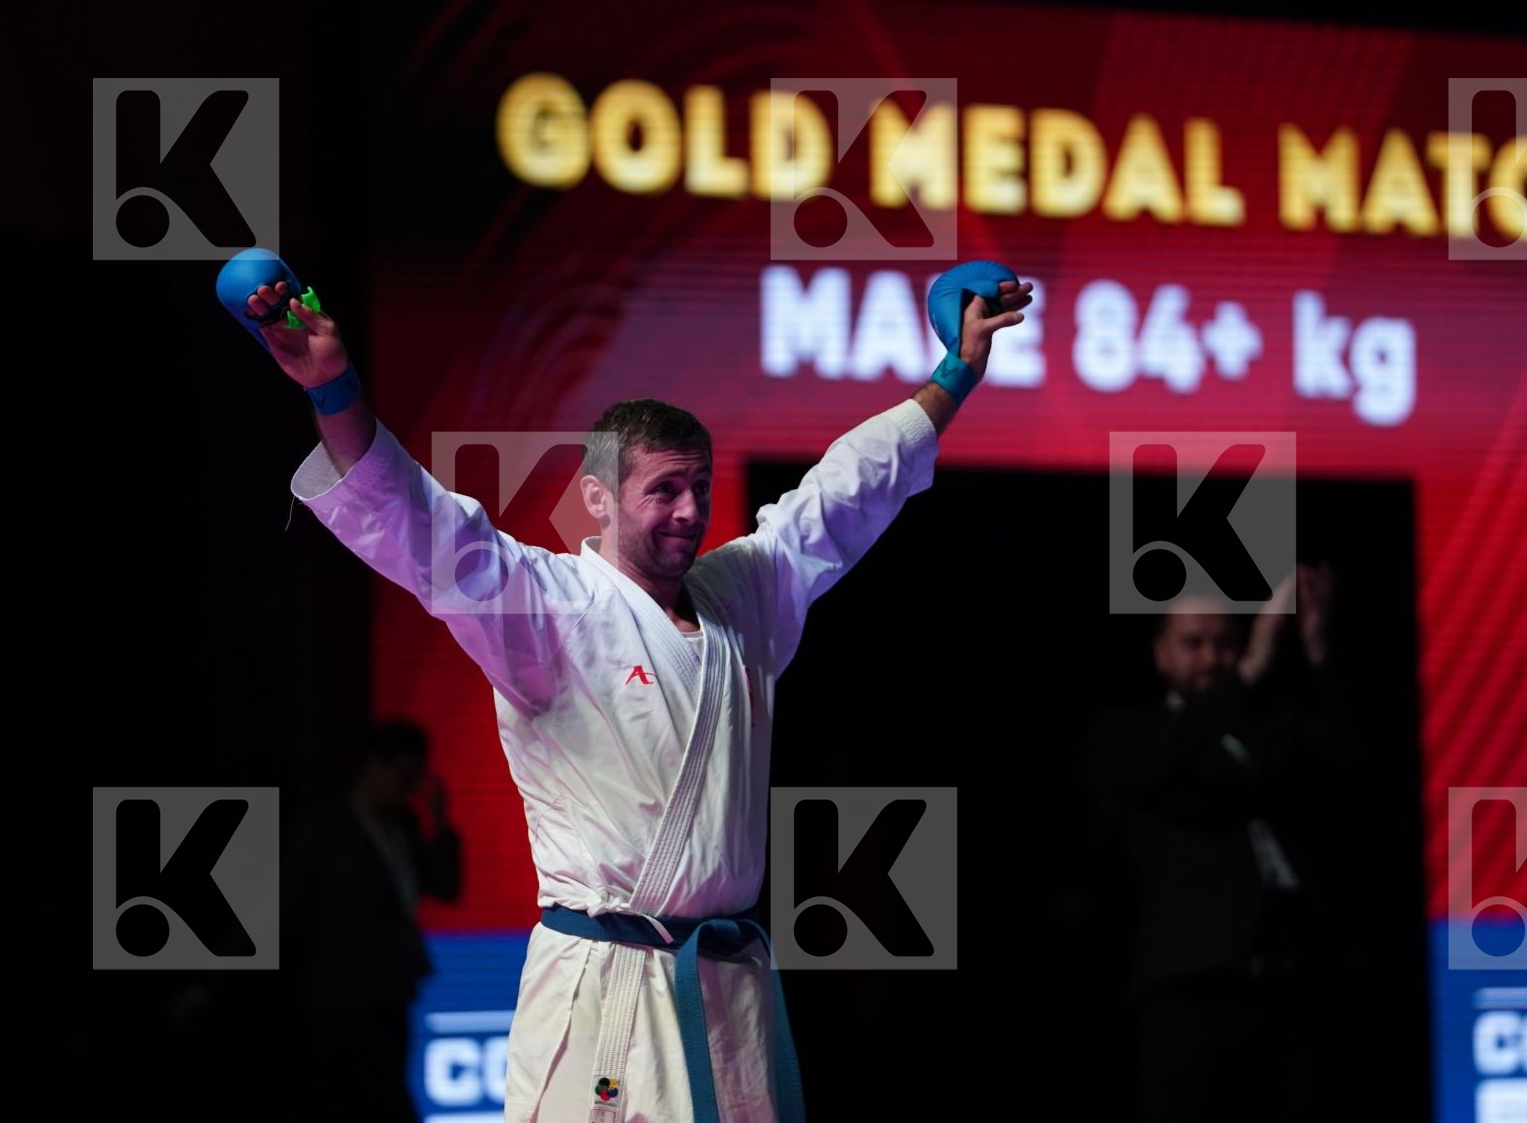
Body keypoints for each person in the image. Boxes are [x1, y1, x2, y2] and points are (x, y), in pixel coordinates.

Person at [245, 268, 1031, 1123]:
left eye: (699, 485)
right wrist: (335, 388)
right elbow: (424, 527)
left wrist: (954, 373)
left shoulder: (746, 591)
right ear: (596, 499)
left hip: (726, 988)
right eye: (663, 488)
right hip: (605, 991)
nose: (690, 510)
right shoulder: (547, 607)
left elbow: (846, 492)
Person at [1081, 565, 1343, 1122]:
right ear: (1160, 655)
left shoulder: (1265, 731)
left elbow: (1341, 766)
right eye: (1192, 644)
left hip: (1291, 992)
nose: (1209, 659)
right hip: (1190, 998)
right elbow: (1154, 771)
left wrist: (1316, 648)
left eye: (1224, 644)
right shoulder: (1131, 736)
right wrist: (1246, 672)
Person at [284, 718, 462, 1123]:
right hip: (339, 997)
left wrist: (442, 825)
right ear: (371, 766)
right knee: (358, 1099)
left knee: (383, 1092)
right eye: (403, 775)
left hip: (391, 991)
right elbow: (283, 905)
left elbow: (446, 889)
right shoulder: (324, 829)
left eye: (416, 778)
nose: (409, 787)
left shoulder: (405, 826)